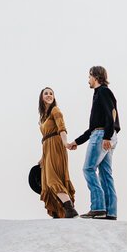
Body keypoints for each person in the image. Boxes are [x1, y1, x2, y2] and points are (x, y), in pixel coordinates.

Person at [67, 66, 120, 219]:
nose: (88, 80)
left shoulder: (103, 91)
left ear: (96, 77)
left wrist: (106, 137)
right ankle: (110, 212)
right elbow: (92, 128)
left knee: (88, 169)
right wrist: (77, 141)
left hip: (103, 134)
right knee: (105, 173)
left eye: (89, 76)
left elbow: (112, 115)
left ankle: (98, 207)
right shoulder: (100, 93)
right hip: (104, 134)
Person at [37, 87, 79, 218]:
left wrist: (65, 142)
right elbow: (45, 138)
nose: (49, 95)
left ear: (54, 97)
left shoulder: (55, 110)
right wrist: (42, 157)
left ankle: (70, 209)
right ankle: (59, 211)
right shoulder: (43, 117)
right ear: (41, 97)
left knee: (52, 180)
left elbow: (62, 128)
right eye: (46, 94)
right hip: (47, 149)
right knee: (47, 182)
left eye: (51, 94)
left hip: (56, 145)